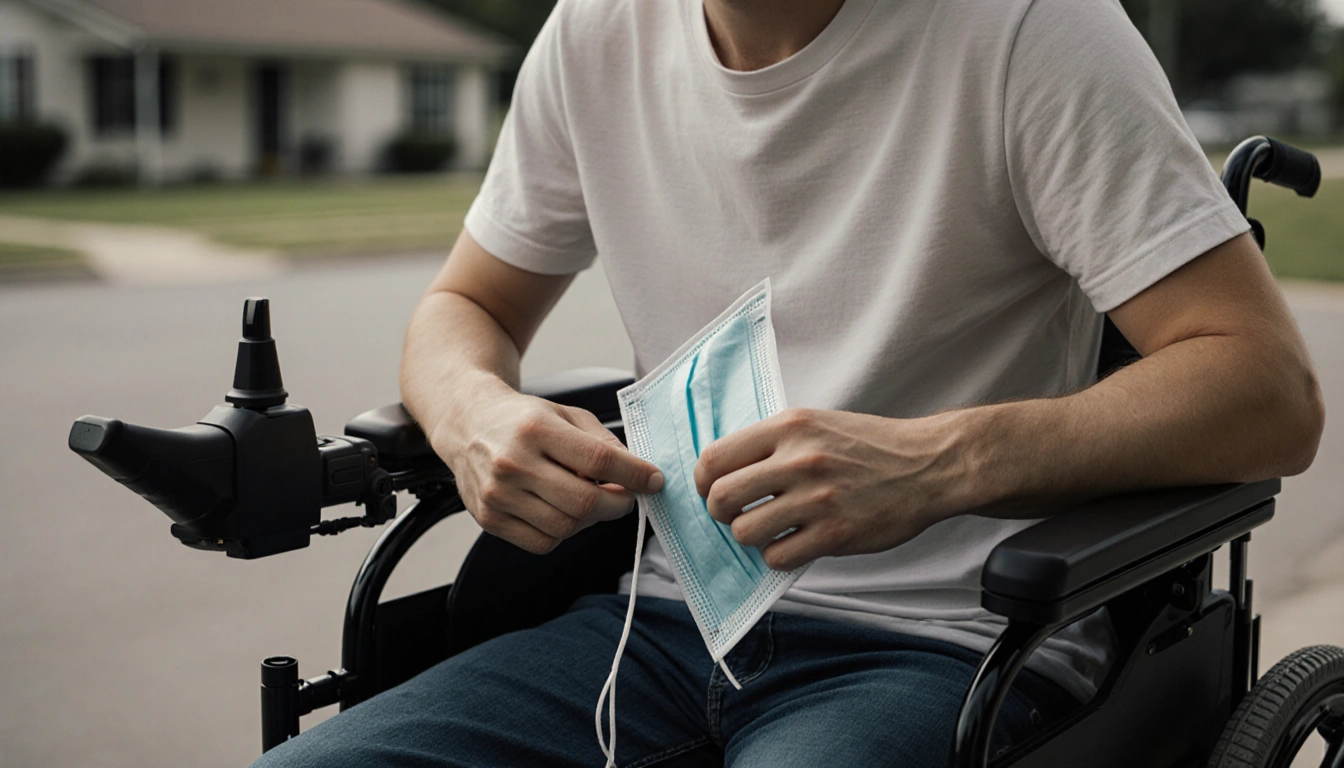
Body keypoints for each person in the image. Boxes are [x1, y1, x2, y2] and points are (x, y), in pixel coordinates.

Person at [255, 0, 1324, 765]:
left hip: (949, 643)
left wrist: (938, 465)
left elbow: (1268, 388)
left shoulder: (1030, 31)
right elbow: (464, 306)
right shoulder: (595, 32)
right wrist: (474, 415)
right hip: (657, 627)